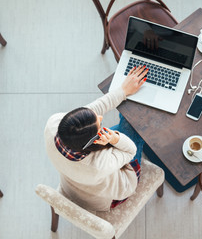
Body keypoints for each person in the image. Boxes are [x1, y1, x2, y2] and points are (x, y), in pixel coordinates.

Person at [44, 65, 149, 211]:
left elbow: (95, 109)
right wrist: (115, 139)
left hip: (74, 184)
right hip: (113, 192)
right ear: (93, 141)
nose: (100, 117)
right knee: (133, 122)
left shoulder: (54, 124)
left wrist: (123, 91)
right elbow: (130, 151)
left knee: (126, 120)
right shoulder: (99, 165)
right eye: (99, 124)